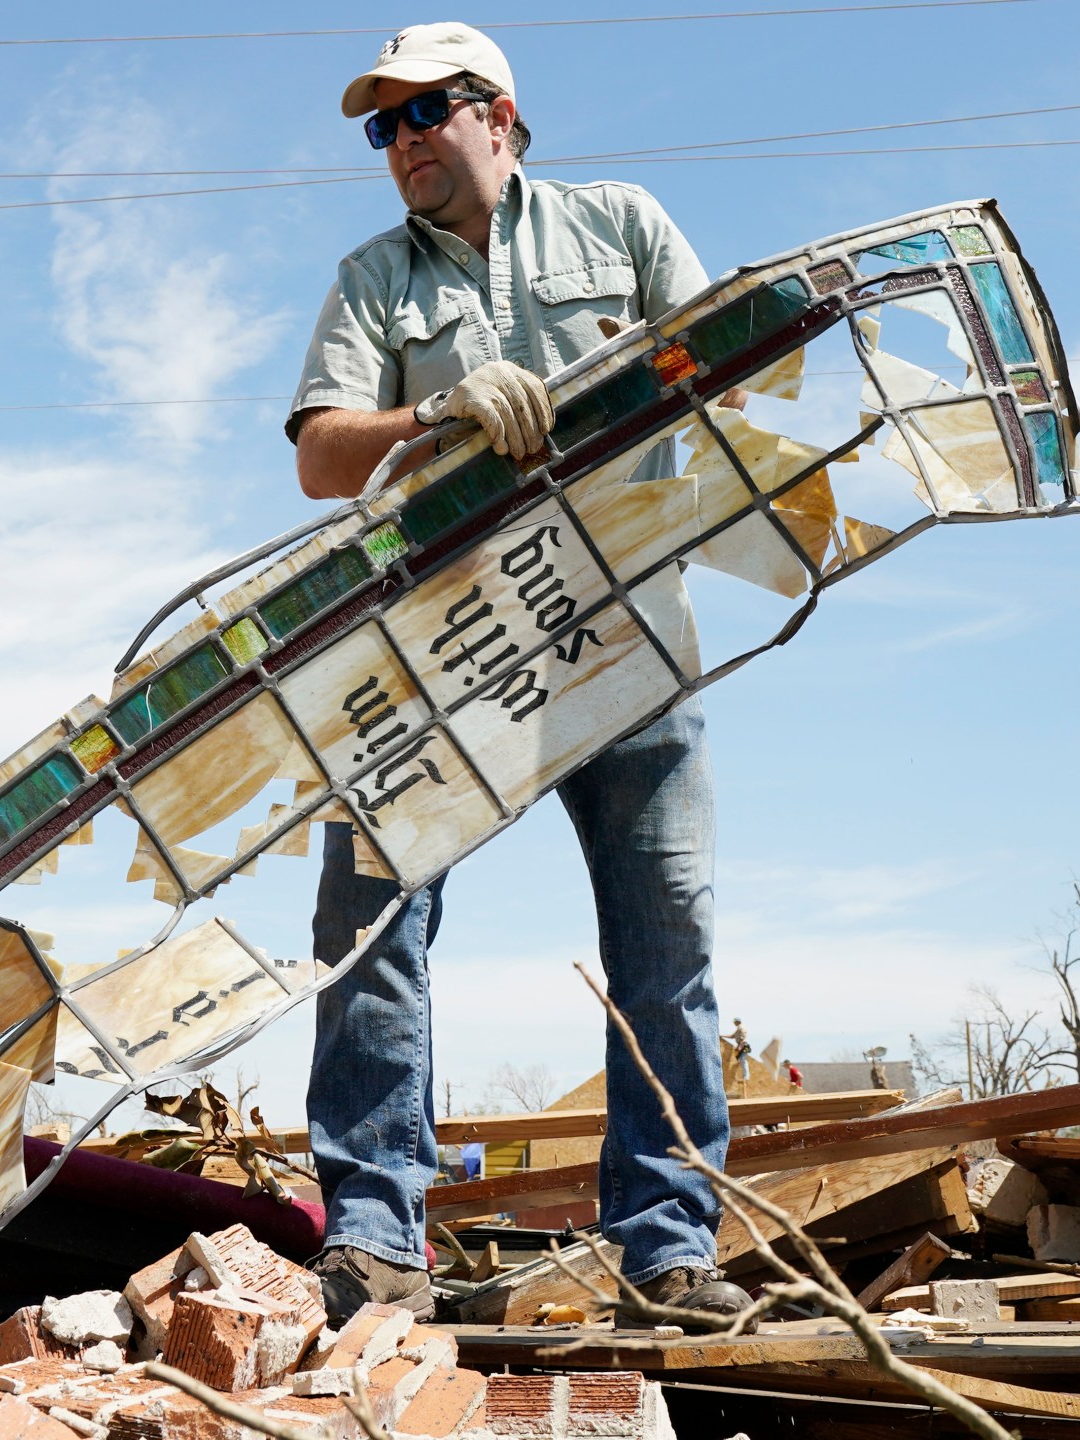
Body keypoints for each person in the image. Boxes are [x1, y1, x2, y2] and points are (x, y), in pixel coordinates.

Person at [286, 21, 748, 1329]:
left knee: (668, 943)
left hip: (628, 641)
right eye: (384, 128)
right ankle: (374, 1244)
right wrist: (436, 415)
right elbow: (323, 453)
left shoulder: (624, 226)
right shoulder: (374, 281)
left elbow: (732, 360)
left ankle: (667, 1250)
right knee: (369, 930)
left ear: (498, 113)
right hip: (444, 659)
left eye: (426, 112)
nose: (405, 143)